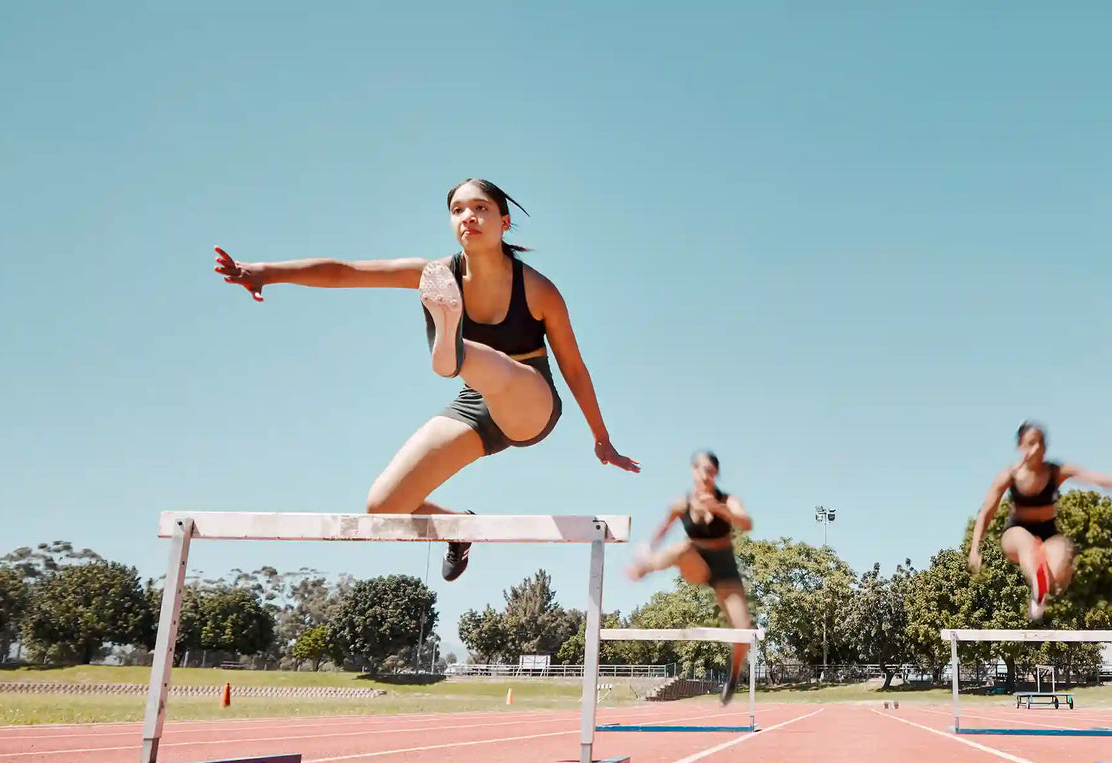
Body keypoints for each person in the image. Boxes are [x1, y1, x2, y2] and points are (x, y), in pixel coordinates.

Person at [212, 178, 640, 580]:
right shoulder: (437, 273)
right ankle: (458, 526)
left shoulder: (538, 290)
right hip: (475, 405)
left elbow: (575, 369)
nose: (467, 216)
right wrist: (266, 271)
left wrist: (601, 438)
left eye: (480, 208)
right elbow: (346, 272)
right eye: (457, 210)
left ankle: (452, 350)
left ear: (504, 222)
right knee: (383, 507)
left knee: (496, 370)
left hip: (531, 399)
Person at [626, 451, 756, 705]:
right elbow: (662, 530)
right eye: (701, 469)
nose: (705, 474)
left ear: (716, 473)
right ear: (693, 471)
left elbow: (746, 522)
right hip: (697, 564)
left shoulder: (727, 500)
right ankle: (644, 569)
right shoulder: (681, 504)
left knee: (743, 631)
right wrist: (648, 549)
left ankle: (733, 677)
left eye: (710, 470)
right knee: (684, 548)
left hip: (724, 568)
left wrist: (719, 509)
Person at [968, 421, 1112, 622]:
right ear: (1021, 447)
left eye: (1041, 444)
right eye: (1031, 443)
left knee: (1064, 551)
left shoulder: (1055, 471)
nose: (1037, 448)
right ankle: (1038, 586)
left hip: (1048, 533)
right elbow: (986, 512)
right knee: (1027, 544)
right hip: (1016, 531)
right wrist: (975, 548)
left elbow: (1088, 476)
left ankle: (1043, 591)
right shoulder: (1009, 476)